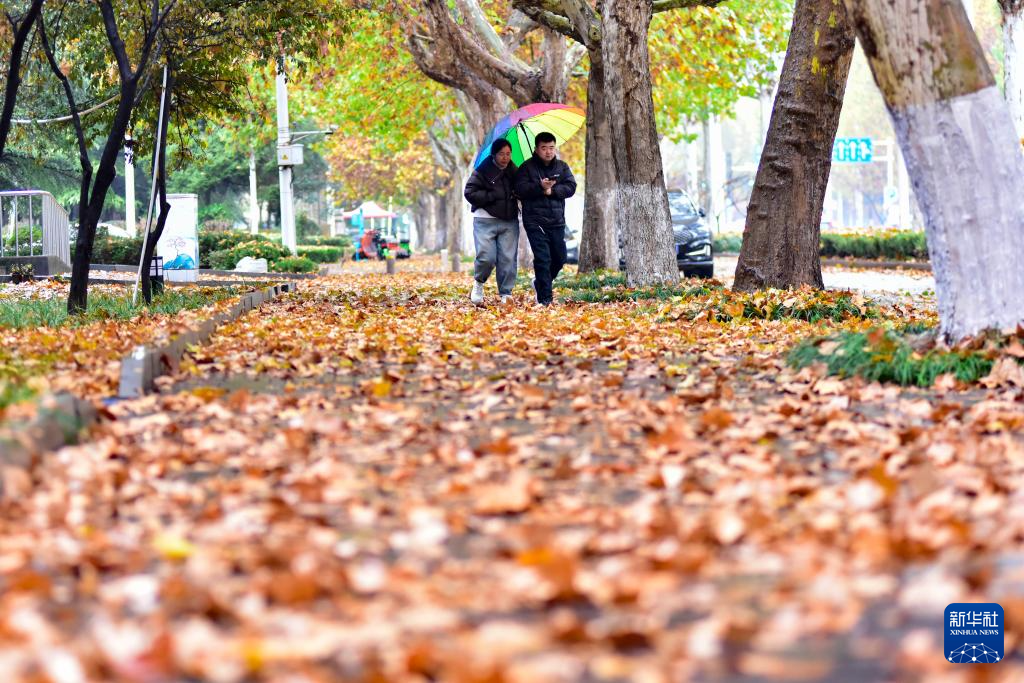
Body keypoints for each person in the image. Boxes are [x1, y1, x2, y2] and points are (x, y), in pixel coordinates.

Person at [514, 131, 577, 306]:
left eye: (551, 148)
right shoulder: (526, 168)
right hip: (534, 220)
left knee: (560, 258)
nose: (548, 152)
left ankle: (540, 283)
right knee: (543, 258)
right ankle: (545, 300)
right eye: (544, 148)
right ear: (536, 149)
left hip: (557, 220)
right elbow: (519, 189)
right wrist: (539, 187)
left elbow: (571, 187)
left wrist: (553, 191)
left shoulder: (562, 167)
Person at [464, 138, 520, 305]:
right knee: (486, 258)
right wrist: (491, 196)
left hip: (509, 220)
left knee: (508, 259)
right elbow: (469, 192)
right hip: (484, 219)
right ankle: (479, 283)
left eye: (508, 154)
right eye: (501, 154)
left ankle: (506, 293)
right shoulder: (482, 170)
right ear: (494, 154)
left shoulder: (514, 171)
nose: (505, 157)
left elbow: (523, 188)